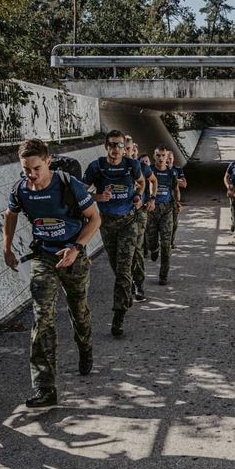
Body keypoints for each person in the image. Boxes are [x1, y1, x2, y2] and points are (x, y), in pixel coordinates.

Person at [3, 139, 101, 407]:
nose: (31, 175)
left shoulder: (69, 185)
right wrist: (6, 248)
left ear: (47, 161)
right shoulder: (21, 189)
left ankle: (85, 347)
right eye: (26, 170)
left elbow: (95, 218)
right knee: (41, 316)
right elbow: (10, 215)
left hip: (73, 255)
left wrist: (77, 247)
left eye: (36, 168)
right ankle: (45, 388)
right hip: (44, 256)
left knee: (78, 309)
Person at [84, 130, 146, 337]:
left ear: (123, 147)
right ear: (106, 146)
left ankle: (118, 316)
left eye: (120, 145)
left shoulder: (132, 165)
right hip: (106, 224)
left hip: (128, 222)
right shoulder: (96, 167)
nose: (116, 149)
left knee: (123, 269)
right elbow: (81, 191)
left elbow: (142, 183)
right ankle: (128, 287)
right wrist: (97, 197)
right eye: (112, 145)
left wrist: (138, 197)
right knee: (116, 266)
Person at [146, 145, 181, 285]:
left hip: (167, 210)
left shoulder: (172, 173)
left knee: (166, 245)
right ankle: (154, 249)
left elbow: (175, 189)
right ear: (154, 156)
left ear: (167, 157)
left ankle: (163, 275)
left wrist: (177, 202)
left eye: (163, 156)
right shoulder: (149, 171)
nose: (161, 158)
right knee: (151, 240)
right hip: (151, 210)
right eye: (158, 155)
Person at [127, 139, 156, 302]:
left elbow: (153, 181)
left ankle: (138, 283)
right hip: (119, 217)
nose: (126, 152)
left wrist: (151, 198)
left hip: (139, 213)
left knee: (136, 248)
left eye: (129, 149)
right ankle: (127, 281)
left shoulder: (141, 168)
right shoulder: (112, 168)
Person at [168, 150, 187, 250]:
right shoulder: (161, 169)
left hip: (174, 200)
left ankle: (171, 242)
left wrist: (173, 180)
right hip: (163, 199)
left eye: (171, 157)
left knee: (174, 224)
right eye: (168, 157)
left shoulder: (177, 169)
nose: (169, 159)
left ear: (173, 158)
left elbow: (184, 184)